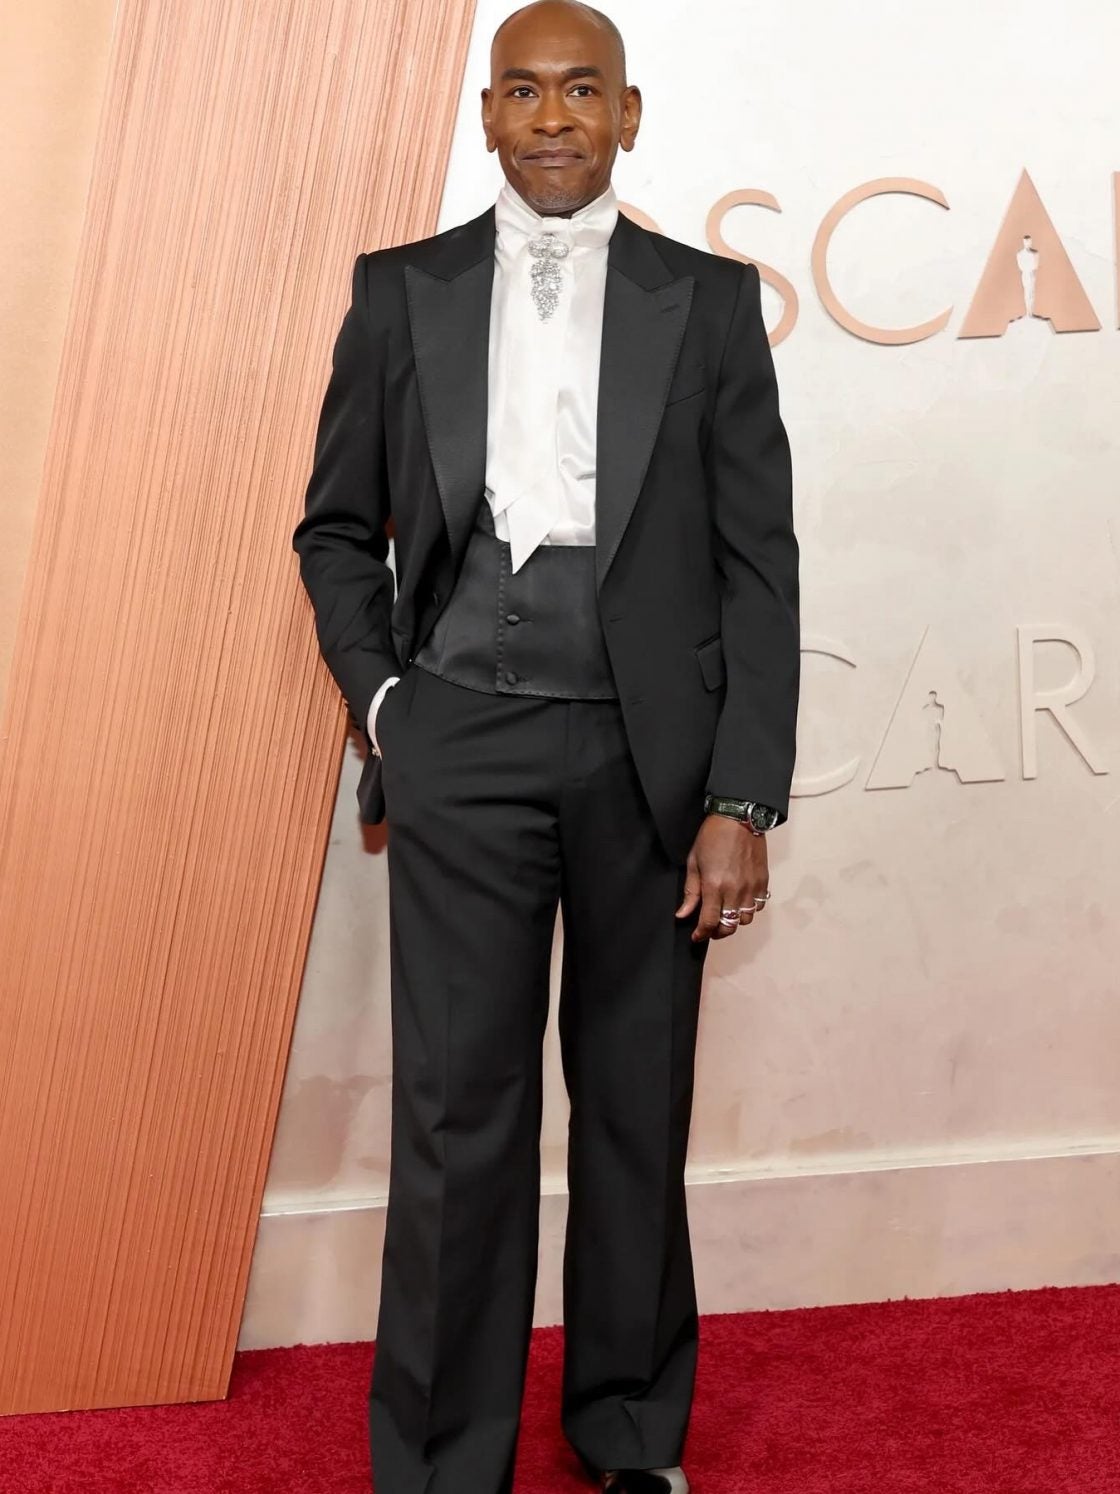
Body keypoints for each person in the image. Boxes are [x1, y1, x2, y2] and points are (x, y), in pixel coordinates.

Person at [292, 2, 800, 1489]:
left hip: (655, 760)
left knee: (637, 1106)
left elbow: (759, 566)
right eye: (525, 92)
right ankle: (442, 1463)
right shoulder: (401, 291)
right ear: (489, 117)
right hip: (461, 740)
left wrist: (742, 794)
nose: (556, 118)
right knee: (461, 1119)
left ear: (628, 116)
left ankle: (630, 1433)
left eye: (585, 91)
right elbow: (336, 530)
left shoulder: (710, 302)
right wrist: (390, 707)